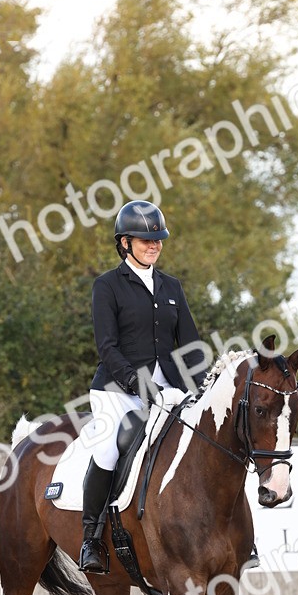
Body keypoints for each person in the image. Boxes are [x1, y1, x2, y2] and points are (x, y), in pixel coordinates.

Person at [78, 199, 207, 574]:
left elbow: (190, 346)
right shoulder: (107, 286)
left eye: (158, 240)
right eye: (144, 239)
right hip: (117, 390)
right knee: (106, 450)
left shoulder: (171, 286)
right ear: (124, 242)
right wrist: (136, 381)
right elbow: (107, 347)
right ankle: (91, 539)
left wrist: (203, 388)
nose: (153, 245)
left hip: (170, 389)